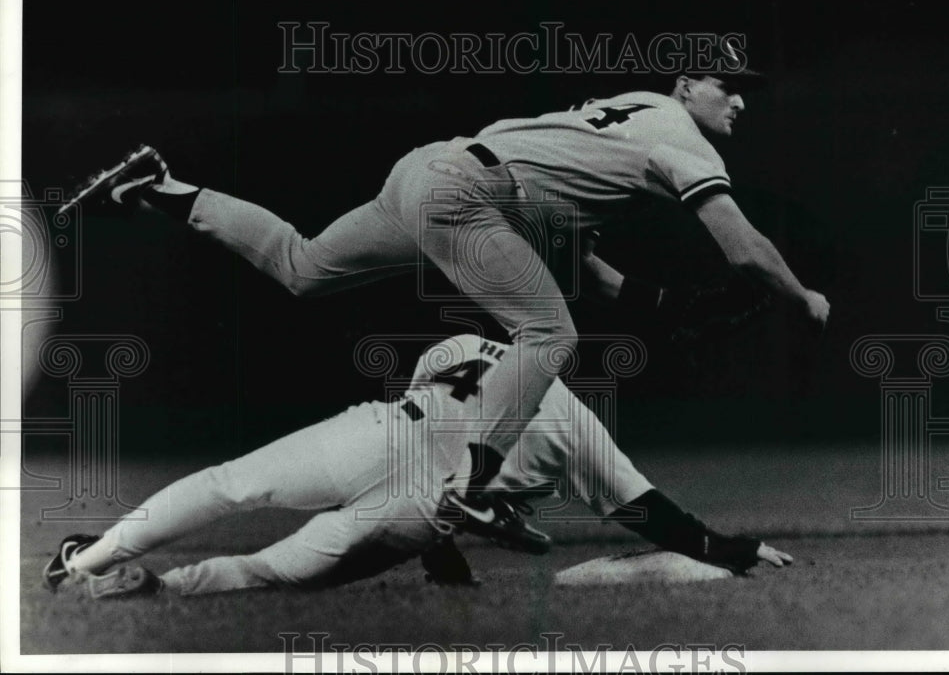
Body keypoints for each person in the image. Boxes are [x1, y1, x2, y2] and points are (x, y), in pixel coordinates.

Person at [60, 51, 830, 534]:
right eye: (728, 85)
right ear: (685, 83)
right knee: (549, 337)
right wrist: (805, 301)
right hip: (469, 192)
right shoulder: (679, 139)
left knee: (303, 266)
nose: (739, 101)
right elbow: (745, 249)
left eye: (747, 91)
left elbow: (586, 268)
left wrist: (659, 308)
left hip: (430, 170)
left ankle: (163, 187)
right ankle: (473, 486)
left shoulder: (610, 121)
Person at [42, 334, 792, 599]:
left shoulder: (472, 343)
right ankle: (162, 590)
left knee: (229, 484)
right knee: (271, 573)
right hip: (416, 513)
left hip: (377, 439)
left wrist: (443, 551)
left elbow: (421, 400)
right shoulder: (576, 424)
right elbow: (646, 512)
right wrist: (729, 547)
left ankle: (88, 561)